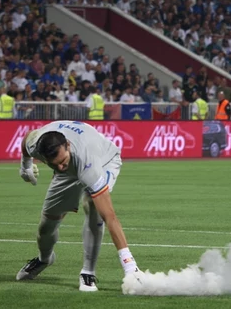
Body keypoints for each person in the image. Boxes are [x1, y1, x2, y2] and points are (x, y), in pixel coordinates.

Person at [16, 121, 144, 291]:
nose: (60, 166)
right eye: (54, 164)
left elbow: (109, 215)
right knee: (46, 227)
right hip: (68, 173)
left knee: (93, 206)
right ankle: (44, 259)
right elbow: (27, 139)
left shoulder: (87, 161)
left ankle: (88, 272)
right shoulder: (36, 144)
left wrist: (129, 266)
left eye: (62, 161)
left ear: (67, 145)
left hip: (104, 160)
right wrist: (25, 166)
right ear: (43, 157)